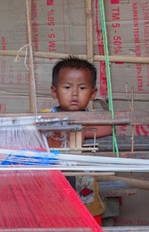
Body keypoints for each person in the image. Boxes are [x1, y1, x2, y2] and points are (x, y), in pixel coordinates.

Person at [47, 56, 111, 222]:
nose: (74, 93)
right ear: (55, 91)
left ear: (92, 93)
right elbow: (36, 129)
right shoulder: (46, 117)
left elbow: (109, 126)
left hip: (86, 196)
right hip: (52, 195)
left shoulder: (93, 118)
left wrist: (81, 130)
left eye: (82, 88)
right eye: (67, 87)